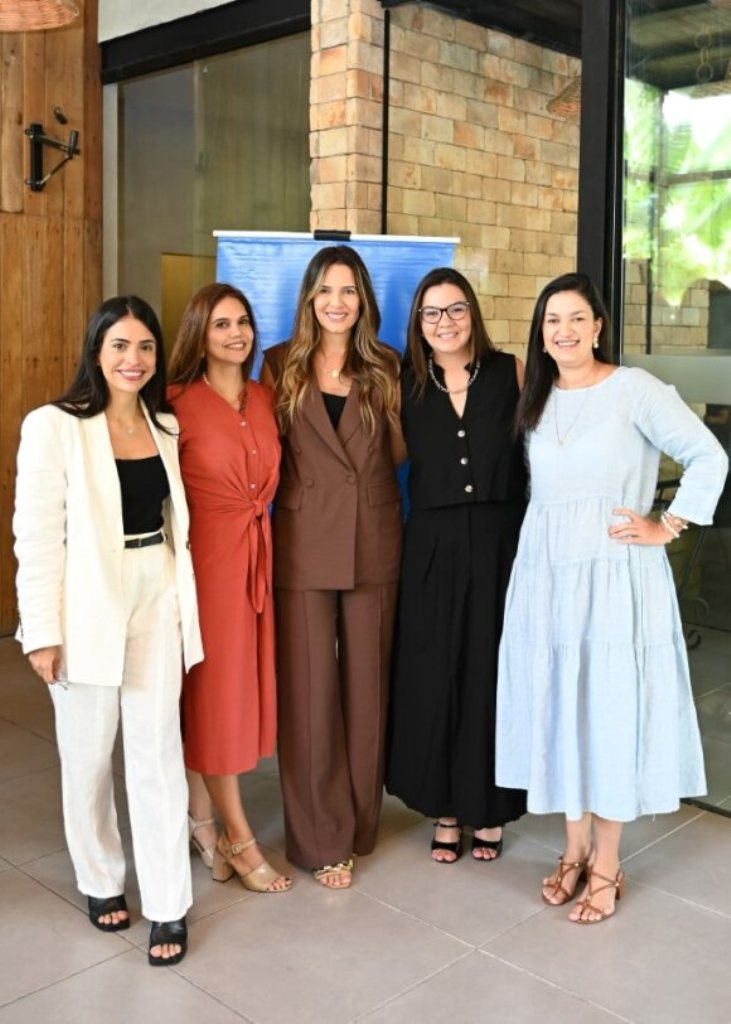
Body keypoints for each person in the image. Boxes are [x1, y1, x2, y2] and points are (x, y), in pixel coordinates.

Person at [496, 272, 728, 923]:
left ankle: (606, 862)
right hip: (547, 576)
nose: (564, 330)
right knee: (562, 704)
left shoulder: (634, 389)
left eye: (576, 318)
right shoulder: (537, 399)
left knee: (608, 708)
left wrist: (666, 525)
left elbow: (708, 456)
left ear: (597, 325)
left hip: (614, 576)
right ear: (541, 333)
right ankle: (571, 849)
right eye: (552, 320)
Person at [13, 296, 203, 966]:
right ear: (96, 351)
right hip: (86, 599)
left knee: (157, 751)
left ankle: (169, 902)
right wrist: (41, 630)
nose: (134, 359)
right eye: (120, 345)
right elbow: (36, 536)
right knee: (89, 756)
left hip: (156, 587)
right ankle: (100, 879)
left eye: (146, 346)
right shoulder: (54, 426)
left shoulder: (165, 425)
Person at [260, 245, 404, 890]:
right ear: (309, 299)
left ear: (364, 300)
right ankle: (322, 837)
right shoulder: (277, 364)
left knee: (368, 692)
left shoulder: (387, 365)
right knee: (310, 695)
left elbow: (399, 451)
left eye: (348, 290)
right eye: (325, 290)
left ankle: (359, 824)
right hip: (303, 541)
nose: (336, 302)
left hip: (374, 538)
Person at [385, 268, 528, 863]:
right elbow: (392, 457)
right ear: (418, 322)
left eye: (455, 309)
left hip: (500, 540)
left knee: (491, 673)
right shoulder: (403, 384)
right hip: (433, 543)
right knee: (436, 671)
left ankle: (489, 808)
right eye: (432, 312)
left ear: (473, 312)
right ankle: (444, 808)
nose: (445, 322)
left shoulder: (510, 371)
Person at [167, 283, 291, 893]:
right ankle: (240, 840)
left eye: (242, 322)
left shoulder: (265, 397)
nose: (236, 333)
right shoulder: (173, 404)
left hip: (256, 561)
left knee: (224, 695)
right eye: (221, 324)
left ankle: (203, 823)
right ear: (200, 333)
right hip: (205, 567)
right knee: (214, 697)